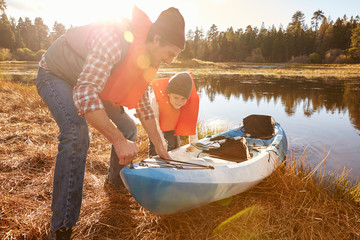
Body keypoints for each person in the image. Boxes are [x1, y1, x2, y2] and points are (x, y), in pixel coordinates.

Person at [35, 6, 186, 240]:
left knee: (129, 128)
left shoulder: (148, 59)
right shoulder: (113, 41)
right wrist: (117, 140)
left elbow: (144, 107)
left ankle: (115, 185)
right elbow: (85, 94)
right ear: (157, 39)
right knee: (76, 132)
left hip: (89, 81)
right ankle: (60, 228)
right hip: (57, 74)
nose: (169, 61)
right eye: (170, 54)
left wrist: (161, 146)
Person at [149, 72, 199, 157]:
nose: (179, 102)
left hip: (171, 125)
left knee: (175, 145)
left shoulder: (186, 102)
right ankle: (152, 164)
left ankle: (172, 164)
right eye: (176, 97)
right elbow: (155, 124)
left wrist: (193, 143)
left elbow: (191, 122)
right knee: (156, 148)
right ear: (168, 94)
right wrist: (161, 144)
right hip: (155, 127)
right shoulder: (155, 100)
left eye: (183, 98)